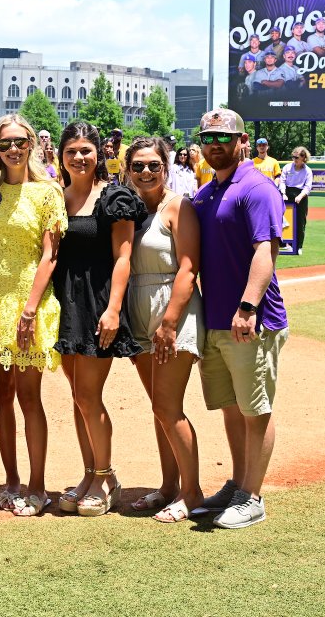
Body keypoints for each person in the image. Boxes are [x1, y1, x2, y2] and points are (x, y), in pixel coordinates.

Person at [191, 108, 290, 530]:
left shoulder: (256, 187)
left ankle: (253, 496)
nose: (215, 145)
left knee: (255, 410)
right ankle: (236, 484)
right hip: (216, 319)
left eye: (223, 138)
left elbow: (266, 251)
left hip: (251, 320)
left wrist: (248, 307)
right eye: (208, 138)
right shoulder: (207, 192)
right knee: (231, 409)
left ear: (242, 140)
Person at [0, 114, 65, 517]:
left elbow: (50, 255)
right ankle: (10, 480)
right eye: (4, 143)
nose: (12, 149)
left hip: (31, 300)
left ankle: (38, 485)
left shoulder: (47, 192)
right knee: (1, 396)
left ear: (32, 143)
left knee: (30, 397)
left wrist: (29, 310)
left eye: (19, 141)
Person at [53, 121, 145, 517]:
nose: (79, 157)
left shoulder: (114, 197)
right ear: (61, 155)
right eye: (71, 150)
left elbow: (124, 256)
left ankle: (106, 477)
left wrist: (112, 310)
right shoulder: (56, 197)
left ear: (100, 153)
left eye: (86, 150)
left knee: (89, 396)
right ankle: (89, 472)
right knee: (77, 398)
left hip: (97, 303)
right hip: (64, 304)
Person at [124, 138, 205, 523]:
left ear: (166, 166)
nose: (145, 172)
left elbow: (188, 268)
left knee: (168, 408)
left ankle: (192, 493)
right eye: (138, 166)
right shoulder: (125, 207)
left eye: (153, 165)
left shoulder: (179, 207)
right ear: (126, 169)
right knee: (159, 409)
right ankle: (169, 486)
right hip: (138, 311)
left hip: (172, 308)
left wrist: (170, 322)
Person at [283, 147, 313, 253]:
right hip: (287, 194)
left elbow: (308, 187)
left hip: (301, 196)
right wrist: (283, 193)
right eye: (293, 156)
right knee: (285, 221)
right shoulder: (287, 167)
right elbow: (282, 181)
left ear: (304, 158)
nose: (294, 159)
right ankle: (286, 243)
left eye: (297, 157)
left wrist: (300, 196)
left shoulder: (308, 171)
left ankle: (299, 246)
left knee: (300, 222)